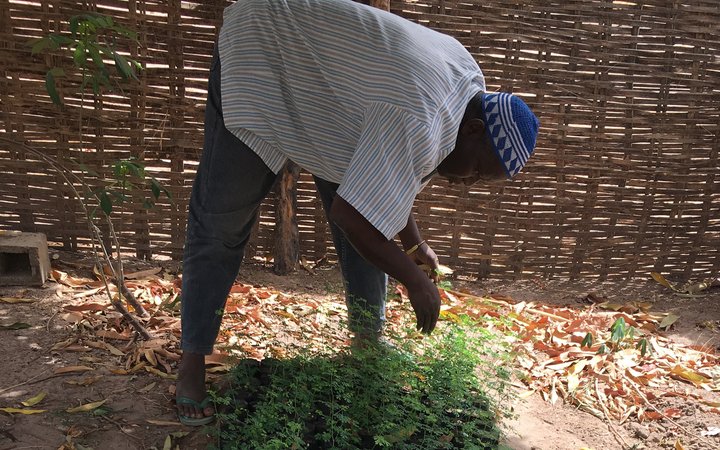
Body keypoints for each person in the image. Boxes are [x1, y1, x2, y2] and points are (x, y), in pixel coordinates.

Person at [175, 0, 539, 426]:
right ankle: (192, 362)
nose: (467, 182)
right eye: (477, 170)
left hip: (335, 101)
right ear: (474, 130)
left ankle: (368, 347)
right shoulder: (419, 117)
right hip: (263, 50)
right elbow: (355, 216)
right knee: (221, 223)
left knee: (375, 226)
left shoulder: (466, 94)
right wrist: (415, 280)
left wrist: (414, 244)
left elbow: (384, 188)